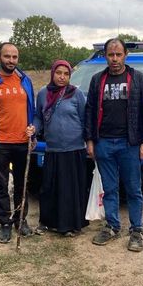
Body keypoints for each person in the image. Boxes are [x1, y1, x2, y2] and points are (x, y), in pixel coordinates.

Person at [84, 38, 143, 251]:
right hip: (104, 142)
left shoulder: (139, 79)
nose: (114, 59)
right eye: (110, 55)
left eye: (118, 54)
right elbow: (89, 111)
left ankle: (136, 230)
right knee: (110, 188)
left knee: (134, 189)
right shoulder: (98, 80)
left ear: (125, 55)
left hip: (130, 144)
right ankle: (113, 226)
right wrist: (89, 140)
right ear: (105, 56)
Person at [0, 42, 35, 243]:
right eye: (7, 56)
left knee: (22, 183)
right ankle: (4, 223)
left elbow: (32, 112)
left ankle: (21, 220)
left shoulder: (25, 80)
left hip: (21, 142)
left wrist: (32, 134)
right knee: (1, 185)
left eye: (15, 57)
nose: (11, 61)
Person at [29, 60, 88, 236]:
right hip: (53, 149)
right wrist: (34, 129)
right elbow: (39, 117)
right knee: (49, 188)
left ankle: (70, 225)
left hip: (74, 149)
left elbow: (85, 120)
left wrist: (89, 142)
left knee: (70, 189)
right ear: (52, 73)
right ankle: (47, 222)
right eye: (59, 73)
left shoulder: (76, 94)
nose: (62, 77)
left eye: (66, 74)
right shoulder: (43, 94)